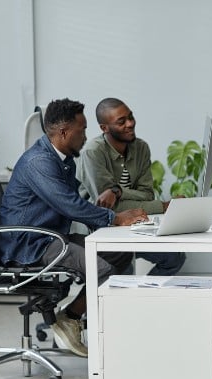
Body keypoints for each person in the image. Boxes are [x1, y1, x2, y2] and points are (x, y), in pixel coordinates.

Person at [0, 98, 148, 357]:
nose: (86, 136)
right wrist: (114, 219)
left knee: (120, 250)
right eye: (82, 130)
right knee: (101, 268)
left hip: (52, 237)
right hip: (31, 243)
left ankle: (70, 316)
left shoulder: (63, 158)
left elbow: (76, 201)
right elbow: (69, 205)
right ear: (64, 132)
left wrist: (111, 220)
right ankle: (72, 319)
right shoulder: (40, 162)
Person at [76, 98, 185, 276]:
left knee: (174, 258)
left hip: (135, 225)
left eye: (131, 117)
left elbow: (147, 194)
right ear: (104, 128)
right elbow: (109, 208)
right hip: (101, 230)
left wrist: (117, 191)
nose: (130, 123)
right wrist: (163, 207)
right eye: (121, 121)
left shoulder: (141, 148)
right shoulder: (93, 152)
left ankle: (140, 299)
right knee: (121, 274)